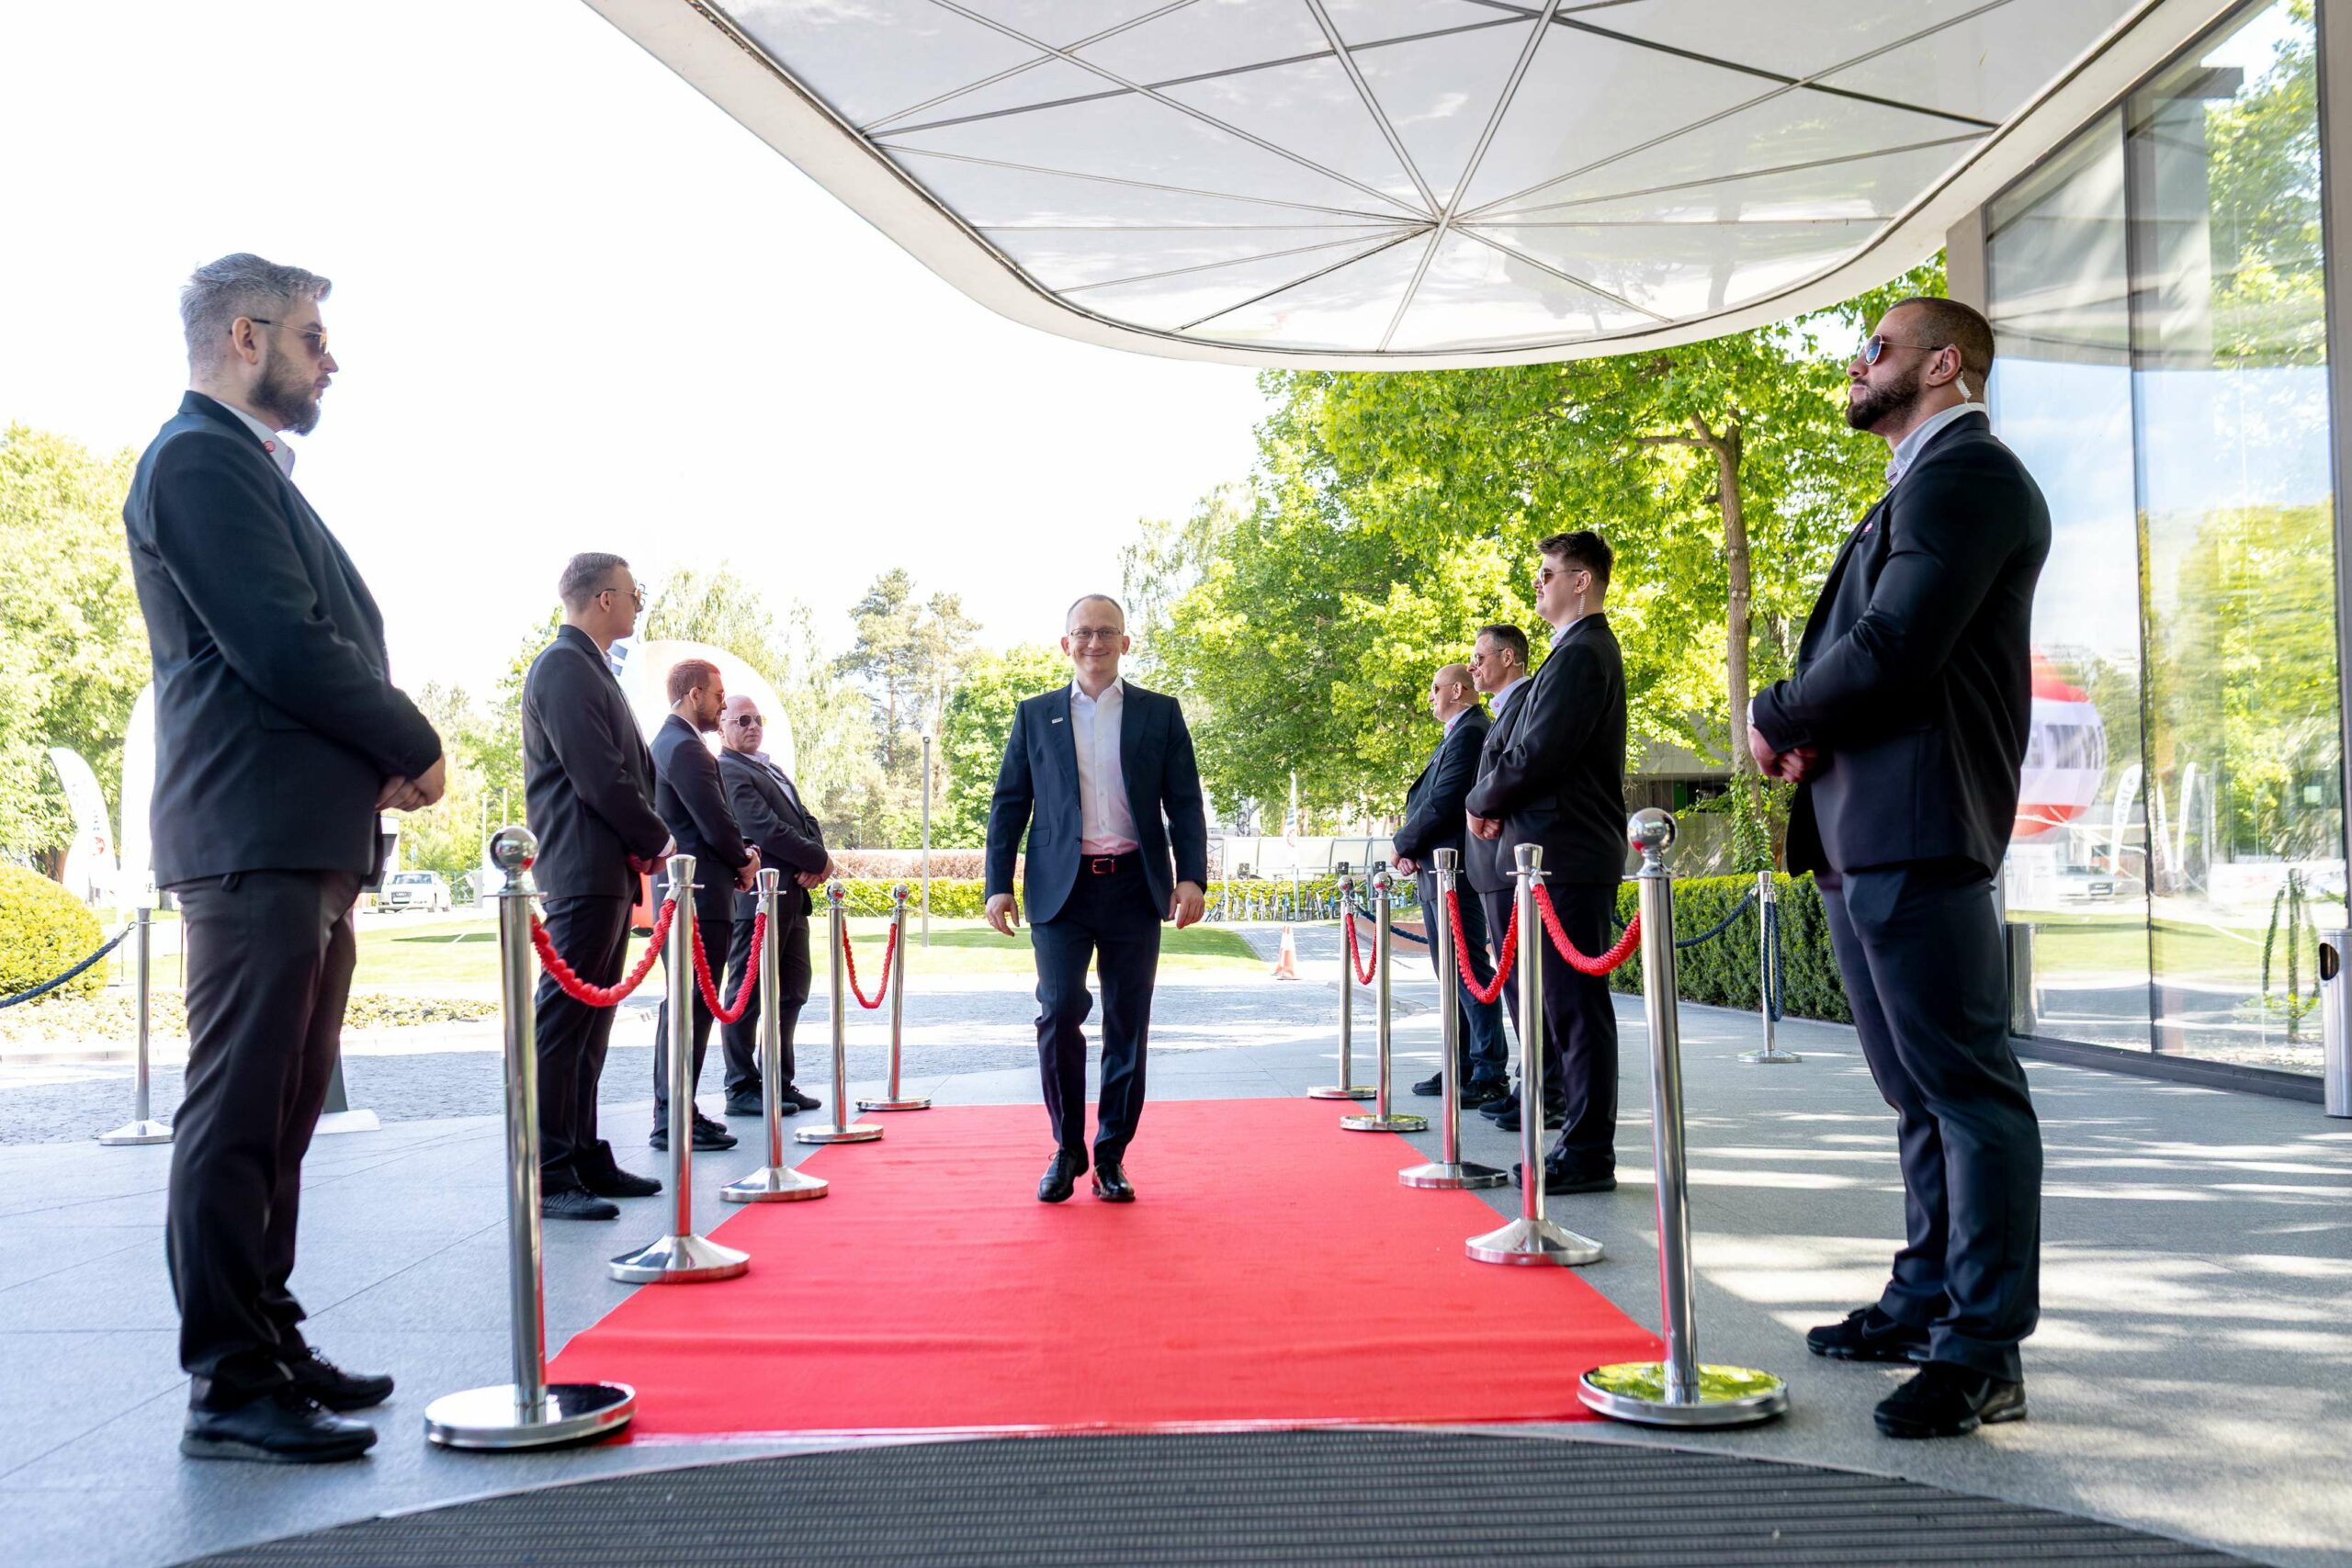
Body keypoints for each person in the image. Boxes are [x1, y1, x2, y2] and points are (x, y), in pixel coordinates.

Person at [125, 254, 443, 1462]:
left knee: (287, 1106)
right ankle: (230, 1379)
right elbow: (281, 640)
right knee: (240, 1110)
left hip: (297, 838)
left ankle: (269, 1329)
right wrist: (410, 742)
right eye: (315, 337)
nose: (332, 360)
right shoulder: (197, 458)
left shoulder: (243, 465)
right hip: (251, 836)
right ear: (246, 337)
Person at [1749, 296, 2049, 1440]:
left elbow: (1893, 645)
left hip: (1918, 824)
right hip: (1866, 824)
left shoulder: (1966, 475)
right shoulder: (1916, 483)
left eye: (1873, 348)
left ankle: (1981, 1352)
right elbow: (1875, 651)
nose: (1854, 364)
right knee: (1915, 1090)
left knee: (1967, 1090)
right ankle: (1925, 1298)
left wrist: (1776, 712)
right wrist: (1807, 734)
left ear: (1941, 364)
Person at [984, 594, 1208, 1204]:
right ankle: (1066, 1148)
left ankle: (1111, 1156)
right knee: (1058, 1012)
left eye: (1107, 632)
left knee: (1127, 1023)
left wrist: (1192, 876)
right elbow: (1009, 803)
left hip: (1136, 884)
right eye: (1083, 632)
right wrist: (997, 883)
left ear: (1125, 643)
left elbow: (1184, 801)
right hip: (1063, 889)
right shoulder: (1035, 714)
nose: (1095, 642)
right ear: (1066, 644)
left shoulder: (1159, 713)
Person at [1464, 531, 1627, 1196]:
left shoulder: (1584, 652)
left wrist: (1481, 798)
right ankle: (1576, 1140)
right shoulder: (1572, 651)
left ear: (1582, 581)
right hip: (1551, 851)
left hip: (1568, 851)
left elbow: (1538, 753)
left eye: (1549, 572)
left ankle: (1587, 1149)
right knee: (1563, 1008)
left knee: (1575, 1008)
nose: (1538, 582)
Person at [522, 552, 674, 1221]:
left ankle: (582, 1154)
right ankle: (547, 1171)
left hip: (603, 869)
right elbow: (598, 773)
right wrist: (657, 838)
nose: (640, 604)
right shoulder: (562, 665)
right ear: (605, 598)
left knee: (590, 1025)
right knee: (563, 1026)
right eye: (634, 593)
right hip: (581, 868)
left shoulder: (588, 666)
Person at [648, 659, 758, 1152]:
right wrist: (745, 859)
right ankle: (672, 1117)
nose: (721, 704)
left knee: (690, 1006)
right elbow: (713, 820)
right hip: (698, 895)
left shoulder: (671, 742)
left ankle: (677, 1111)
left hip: (693, 893)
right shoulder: (685, 747)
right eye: (717, 696)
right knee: (690, 1007)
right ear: (694, 695)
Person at [1387, 661, 1509, 1105]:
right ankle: (1462, 1064)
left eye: (1436, 688)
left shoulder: (1472, 731)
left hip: (1455, 870)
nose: (1431, 696)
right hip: (1436, 869)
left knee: (1468, 969)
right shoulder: (1457, 732)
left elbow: (1445, 801)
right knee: (1452, 973)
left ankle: (1488, 1070)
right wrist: (1413, 849)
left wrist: (1402, 844)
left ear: (1457, 691)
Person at [1463, 623, 1562, 1134]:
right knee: (1518, 987)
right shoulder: (1507, 707)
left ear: (1508, 658)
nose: (1473, 666)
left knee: (1531, 985)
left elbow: (1520, 766)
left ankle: (1548, 1090)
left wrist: (1479, 804)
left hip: (1513, 860)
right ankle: (1535, 1083)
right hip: (1497, 864)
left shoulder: (1525, 701)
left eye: (1480, 657)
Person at [717, 694, 831, 1118]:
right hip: (758, 900)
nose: (752, 726)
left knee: (793, 990)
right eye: (741, 720)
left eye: (757, 719)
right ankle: (741, 1086)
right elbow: (762, 828)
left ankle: (778, 1080)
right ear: (722, 727)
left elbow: (805, 820)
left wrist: (817, 861)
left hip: (793, 896)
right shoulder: (728, 769)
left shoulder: (771, 768)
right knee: (747, 993)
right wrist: (816, 860)